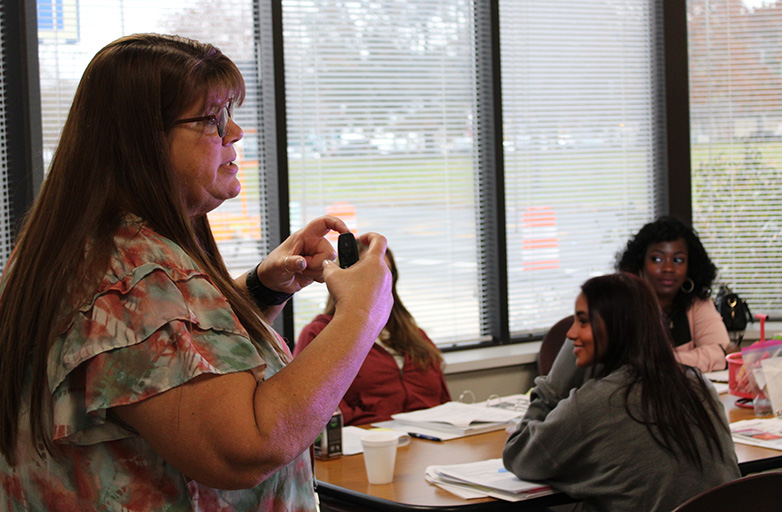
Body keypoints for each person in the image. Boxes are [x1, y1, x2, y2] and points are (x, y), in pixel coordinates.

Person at [0, 34, 393, 511]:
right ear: (141, 142)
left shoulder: (105, 251)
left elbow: (173, 365)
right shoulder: (127, 276)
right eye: (213, 119)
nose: (235, 133)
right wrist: (361, 313)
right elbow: (244, 449)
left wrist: (261, 291)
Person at [503, 273, 740, 512]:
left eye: (583, 322)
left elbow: (518, 455)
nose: (571, 334)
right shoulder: (699, 385)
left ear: (617, 328)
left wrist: (552, 387)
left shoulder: (593, 405)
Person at [295, 243, 450, 425]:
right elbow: (321, 410)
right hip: (368, 440)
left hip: (433, 438)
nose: (378, 281)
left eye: (385, 273)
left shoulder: (415, 336)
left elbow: (446, 406)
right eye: (369, 273)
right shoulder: (318, 334)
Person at [616, 216, 729, 372]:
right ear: (639, 264)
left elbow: (724, 351)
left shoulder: (696, 301)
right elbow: (631, 366)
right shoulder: (623, 305)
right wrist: (701, 358)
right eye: (657, 259)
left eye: (678, 260)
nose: (668, 268)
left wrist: (663, 361)